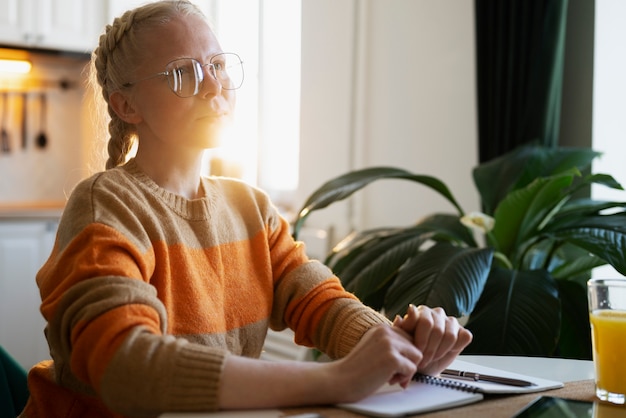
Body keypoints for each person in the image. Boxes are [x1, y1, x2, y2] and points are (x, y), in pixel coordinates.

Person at [19, 1, 472, 416]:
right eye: (184, 73)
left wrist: (396, 345)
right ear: (126, 104)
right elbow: (127, 368)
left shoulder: (249, 207)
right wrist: (337, 379)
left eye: (217, 65)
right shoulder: (107, 204)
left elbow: (318, 302)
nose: (214, 84)